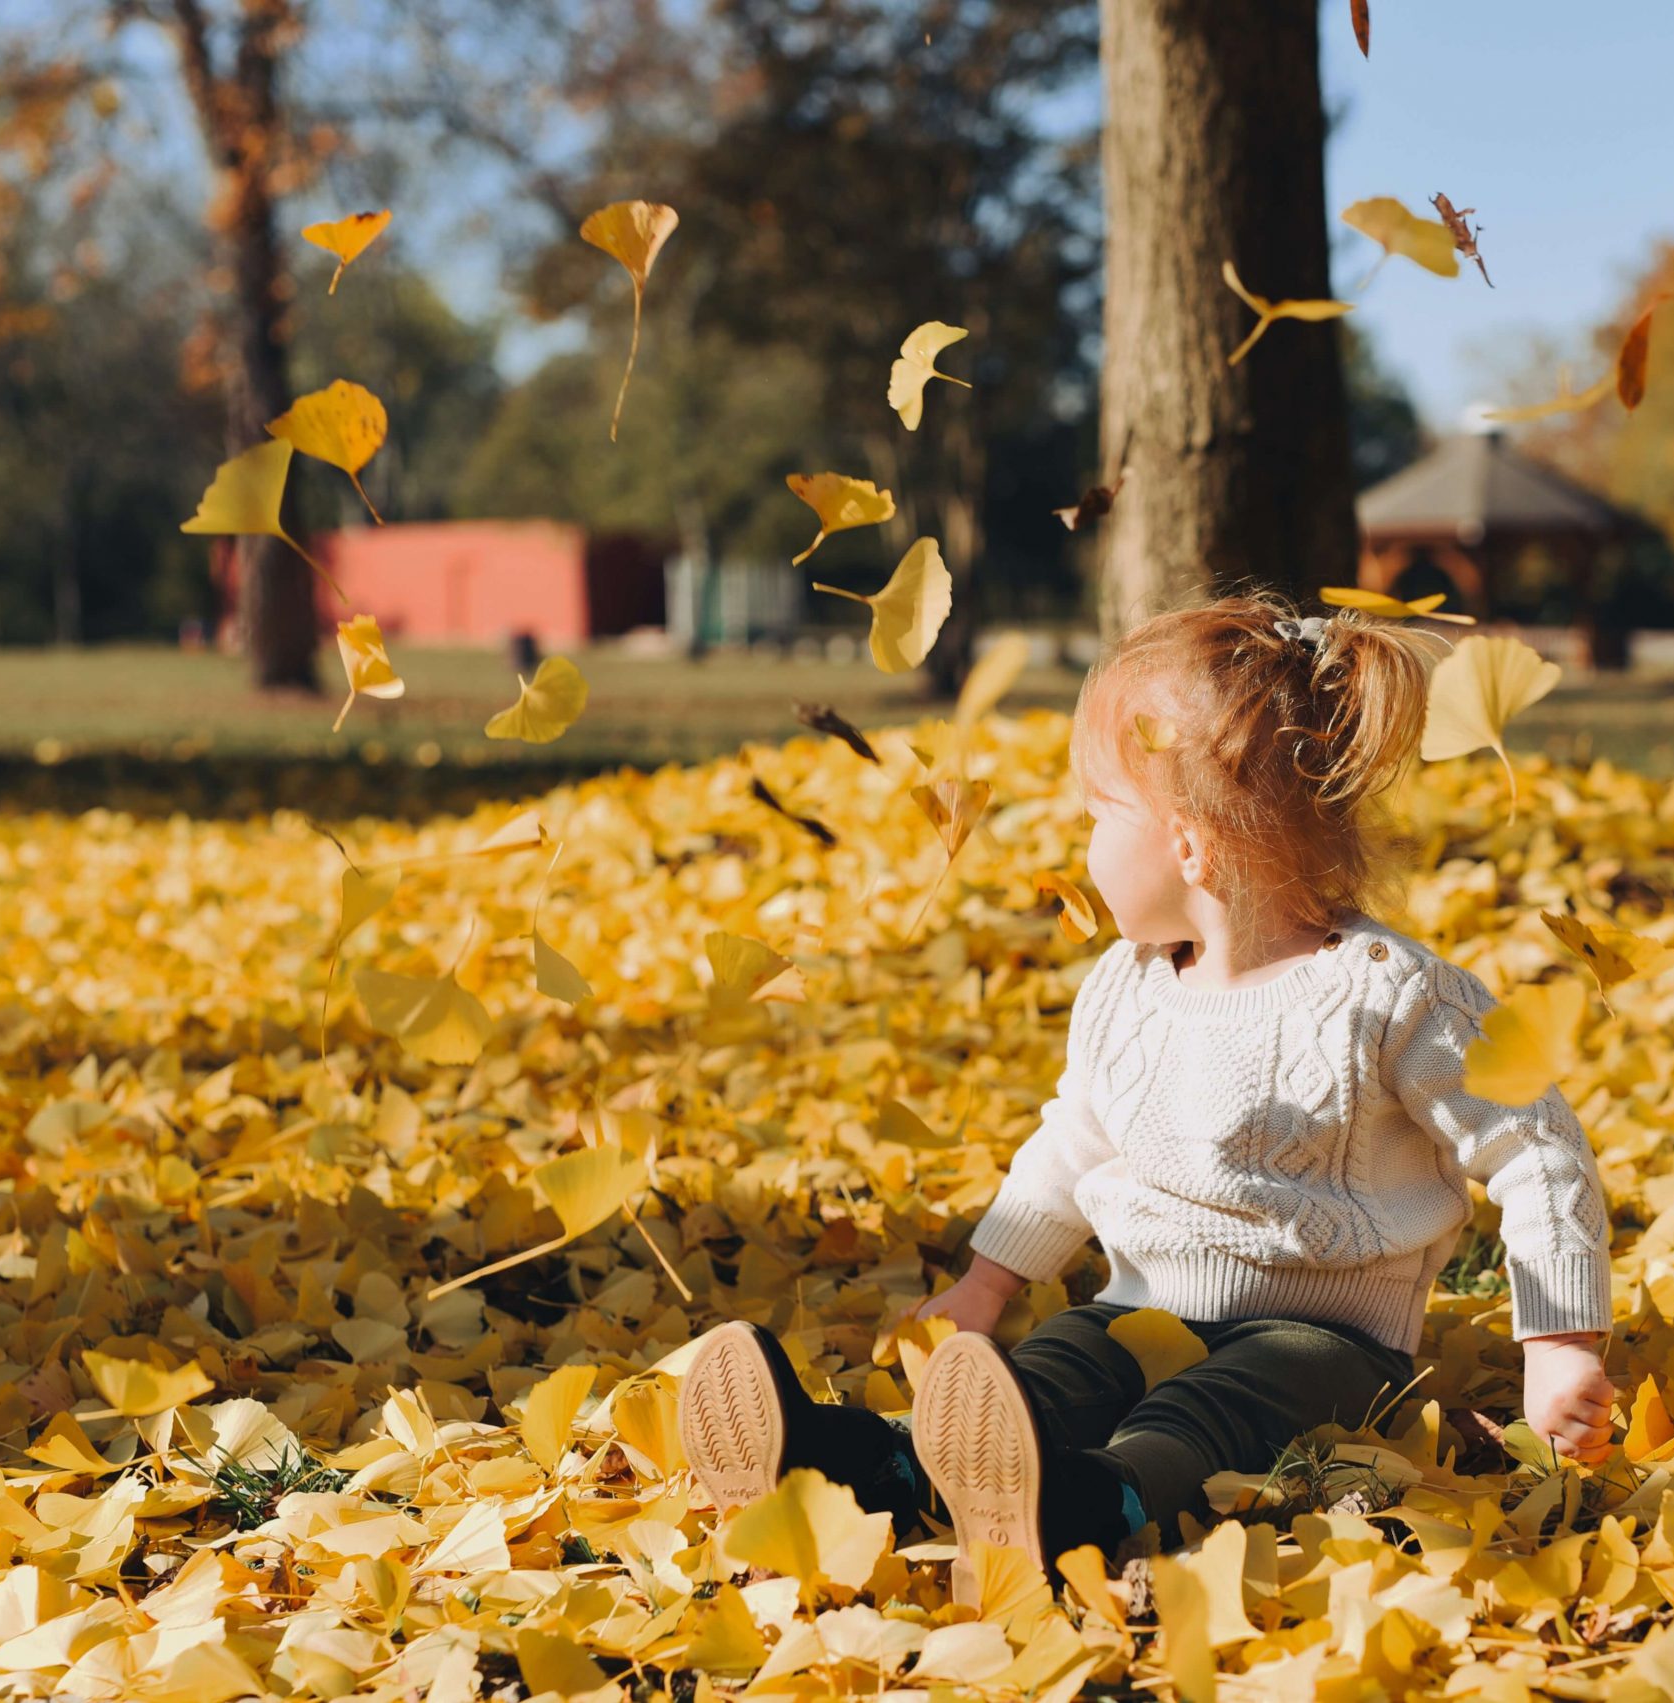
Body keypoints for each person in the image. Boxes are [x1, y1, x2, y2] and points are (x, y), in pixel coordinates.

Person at [677, 593, 1615, 1598]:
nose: (1080, 842)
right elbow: (1072, 1146)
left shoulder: (1387, 994)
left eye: (1097, 812)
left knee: (1210, 1411)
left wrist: (1558, 1342)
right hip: (1138, 1306)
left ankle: (1093, 1505)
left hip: (1326, 1343)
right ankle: (858, 1463)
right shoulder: (1125, 988)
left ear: (1187, 843)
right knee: (1055, 1365)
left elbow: (1537, 1146)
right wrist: (988, 1285)